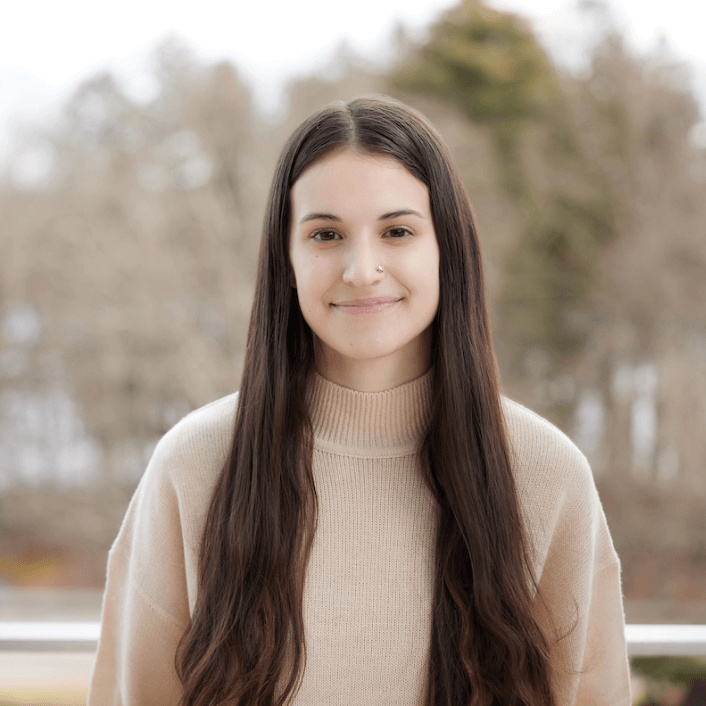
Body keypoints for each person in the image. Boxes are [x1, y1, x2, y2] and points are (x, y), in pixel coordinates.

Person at [88, 96, 631, 706]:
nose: (362, 269)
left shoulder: (546, 473)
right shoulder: (193, 466)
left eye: (397, 231)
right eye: (326, 234)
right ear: (285, 262)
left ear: (445, 249)